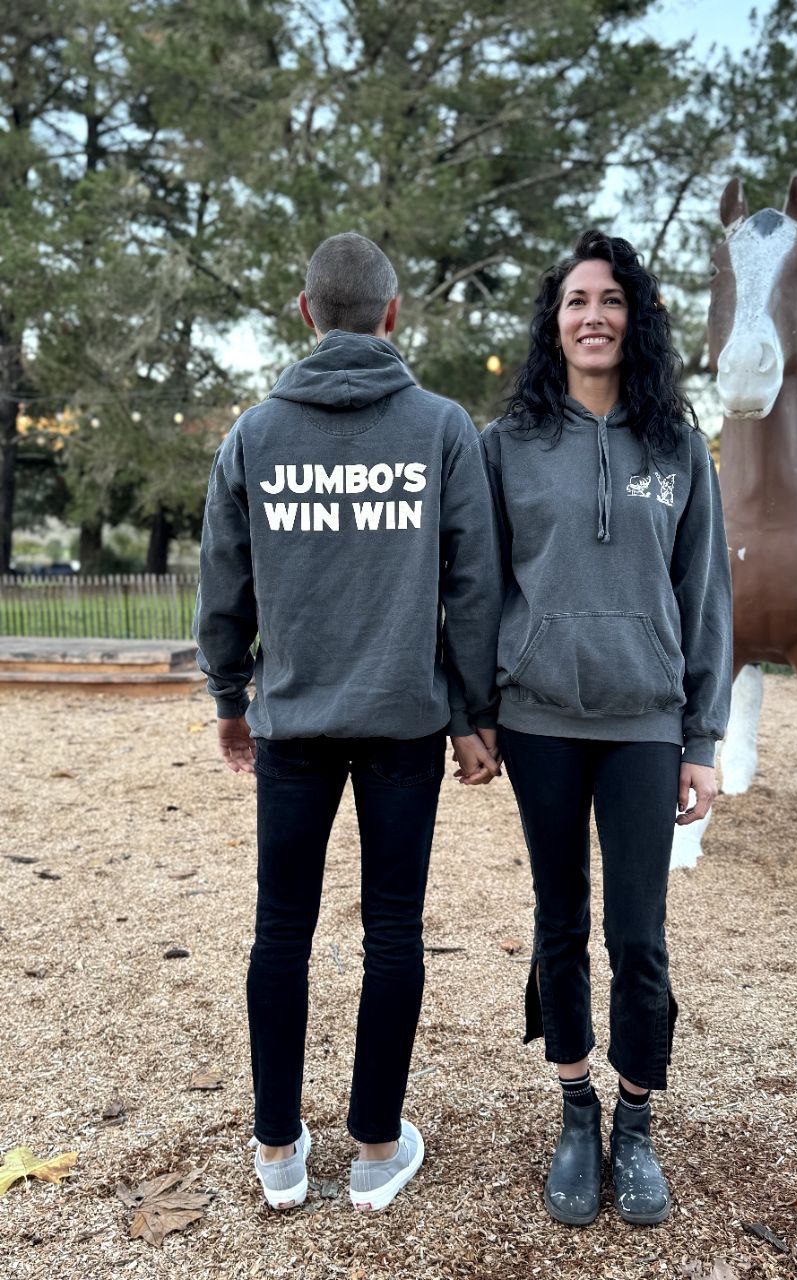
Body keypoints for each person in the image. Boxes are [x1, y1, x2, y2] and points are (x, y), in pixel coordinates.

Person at [194, 232, 502, 1212]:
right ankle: (374, 1148)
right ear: (392, 314)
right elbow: (475, 585)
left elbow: (223, 582)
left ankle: (278, 1151)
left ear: (306, 312)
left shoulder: (254, 435)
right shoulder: (442, 427)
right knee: (393, 930)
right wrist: (471, 713)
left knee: (280, 929)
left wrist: (229, 698)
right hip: (404, 721)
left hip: (292, 721)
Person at [482, 229, 732, 1226]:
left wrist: (702, 738)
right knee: (560, 923)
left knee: (638, 932)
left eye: (612, 299)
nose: (594, 315)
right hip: (537, 718)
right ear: (555, 322)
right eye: (577, 300)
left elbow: (704, 596)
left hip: (645, 722)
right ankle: (575, 1110)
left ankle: (635, 1120)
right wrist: (473, 712)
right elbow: (478, 587)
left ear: (637, 320)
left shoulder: (677, 445)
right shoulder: (508, 445)